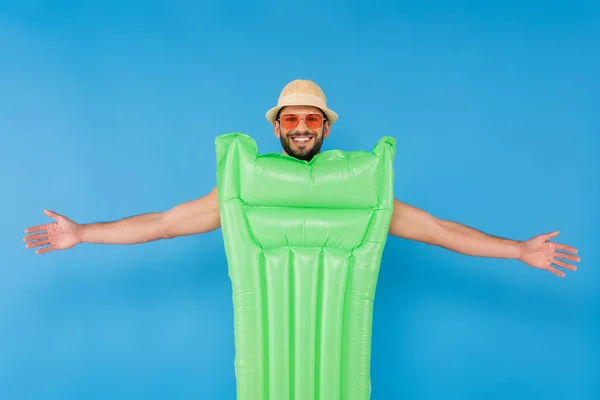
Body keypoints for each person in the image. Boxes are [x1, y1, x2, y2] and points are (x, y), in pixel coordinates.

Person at [23, 79, 580, 277]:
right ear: (278, 129)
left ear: (325, 129)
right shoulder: (247, 185)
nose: (302, 126)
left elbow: (436, 229)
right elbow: (166, 222)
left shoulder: (358, 182)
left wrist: (518, 250)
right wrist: (84, 233)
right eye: (291, 119)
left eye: (313, 118)